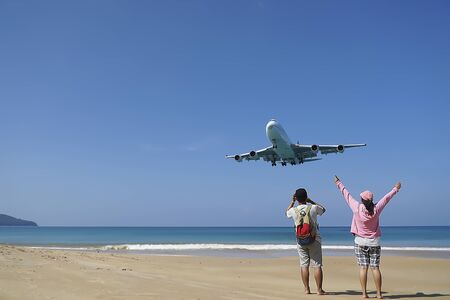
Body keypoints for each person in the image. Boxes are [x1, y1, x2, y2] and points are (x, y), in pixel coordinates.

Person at [334, 175, 401, 299]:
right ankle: (379, 294)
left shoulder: (357, 207)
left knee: (363, 268)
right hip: (374, 242)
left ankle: (364, 294)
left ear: (362, 200)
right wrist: (395, 189)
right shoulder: (376, 209)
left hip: (360, 242)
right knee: (375, 268)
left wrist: (338, 182)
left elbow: (346, 195)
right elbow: (386, 198)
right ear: (371, 200)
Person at [286, 188, 326, 295]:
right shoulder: (313, 208)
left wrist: (292, 201)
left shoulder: (293, 210)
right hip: (314, 239)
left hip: (300, 241)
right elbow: (323, 210)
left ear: (297, 198)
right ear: (306, 197)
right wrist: (311, 201)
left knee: (304, 265)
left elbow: (286, 213)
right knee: (317, 265)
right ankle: (319, 290)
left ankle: (307, 289)